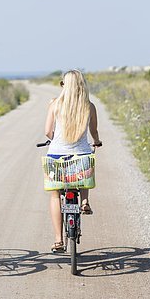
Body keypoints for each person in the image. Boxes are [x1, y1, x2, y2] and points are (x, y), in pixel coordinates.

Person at [44, 69, 102, 253]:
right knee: (85, 163)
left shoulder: (55, 104)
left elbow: (47, 132)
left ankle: (58, 240)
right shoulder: (89, 106)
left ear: (64, 86)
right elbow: (94, 131)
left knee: (55, 195)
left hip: (56, 156)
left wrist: (56, 139)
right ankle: (84, 202)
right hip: (81, 156)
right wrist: (97, 141)